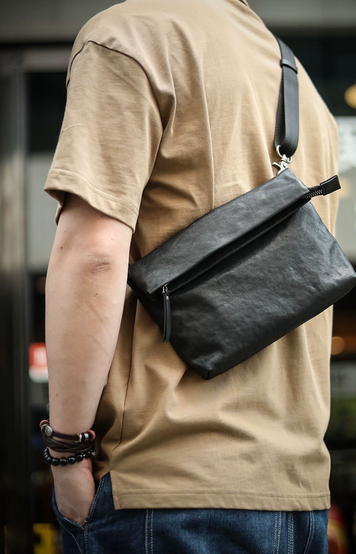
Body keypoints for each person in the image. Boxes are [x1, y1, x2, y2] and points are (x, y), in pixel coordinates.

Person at [43, 0, 339, 552]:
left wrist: (67, 452)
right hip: (298, 490)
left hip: (163, 483)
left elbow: (94, 256)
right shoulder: (296, 78)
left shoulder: (129, 34)